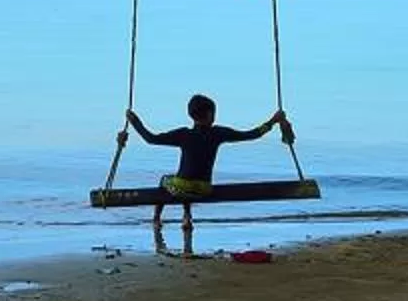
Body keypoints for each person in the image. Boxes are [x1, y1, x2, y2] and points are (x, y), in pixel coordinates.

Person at [124, 95, 294, 253]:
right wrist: (273, 121)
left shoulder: (183, 134)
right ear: (210, 114)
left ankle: (156, 219)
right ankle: (187, 217)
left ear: (192, 115)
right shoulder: (218, 133)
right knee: (189, 182)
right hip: (204, 189)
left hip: (182, 187)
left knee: (166, 180)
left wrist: (135, 121)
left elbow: (151, 139)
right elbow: (251, 135)